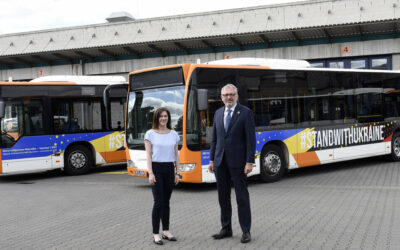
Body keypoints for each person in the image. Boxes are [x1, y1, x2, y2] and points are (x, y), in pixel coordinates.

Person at [208, 83, 256, 244]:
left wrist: (249, 161)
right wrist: (212, 159)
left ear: (236, 96)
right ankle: (226, 228)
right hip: (220, 163)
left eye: (231, 94)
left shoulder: (246, 113)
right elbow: (215, 139)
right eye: (226, 95)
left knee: (242, 198)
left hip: (239, 163)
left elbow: (251, 140)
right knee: (223, 197)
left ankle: (246, 231)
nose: (229, 97)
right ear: (221, 98)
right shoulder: (218, 113)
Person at [144, 107, 180, 245]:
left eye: (165, 116)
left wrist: (178, 172)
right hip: (156, 168)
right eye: (161, 116)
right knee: (158, 203)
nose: (163, 118)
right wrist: (151, 173)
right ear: (156, 118)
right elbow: (148, 154)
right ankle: (155, 234)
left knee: (166, 202)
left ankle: (166, 231)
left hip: (169, 169)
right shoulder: (150, 134)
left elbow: (176, 154)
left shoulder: (173, 134)